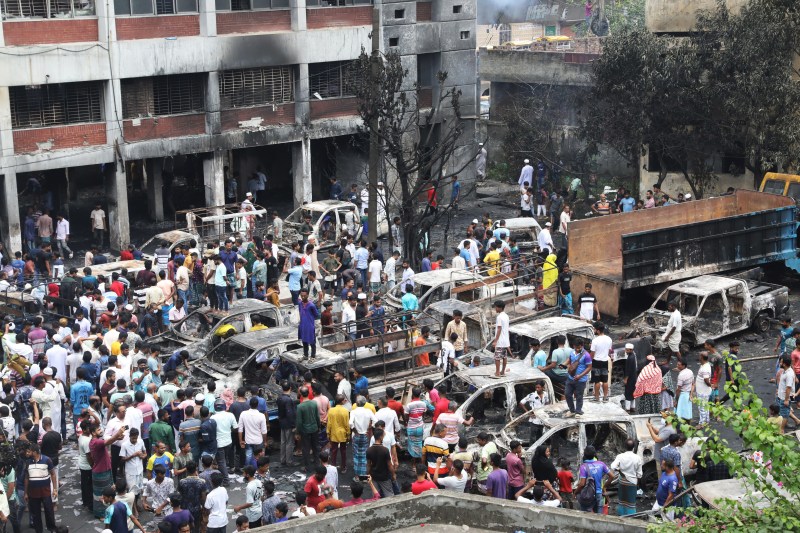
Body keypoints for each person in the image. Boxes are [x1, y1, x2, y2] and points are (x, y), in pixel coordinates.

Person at [576, 446, 615, 513]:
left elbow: (582, 484)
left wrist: (575, 492)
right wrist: (604, 486)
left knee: (585, 513)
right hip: (599, 493)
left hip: (588, 495)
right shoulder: (601, 464)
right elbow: (612, 476)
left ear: (584, 455)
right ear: (594, 454)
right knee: (599, 515)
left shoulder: (583, 467)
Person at [610, 439, 642, 516]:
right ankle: (631, 517)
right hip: (632, 482)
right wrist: (637, 483)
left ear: (625, 447)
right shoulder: (637, 458)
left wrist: (619, 471)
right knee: (631, 503)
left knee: (622, 501)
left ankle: (621, 515)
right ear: (634, 447)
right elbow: (639, 474)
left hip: (622, 481)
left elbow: (613, 466)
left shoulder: (620, 456)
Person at [565, 339, 592, 417]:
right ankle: (572, 410)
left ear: (582, 346)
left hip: (581, 380)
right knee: (567, 394)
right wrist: (563, 364)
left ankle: (578, 411)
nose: (578, 349)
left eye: (579, 347)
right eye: (576, 347)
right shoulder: (572, 352)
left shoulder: (586, 355)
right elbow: (569, 359)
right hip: (570, 378)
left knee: (579, 396)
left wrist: (580, 376)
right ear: (574, 346)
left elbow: (589, 367)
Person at [296, 386, 320, 471]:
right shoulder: (314, 403)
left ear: (301, 394)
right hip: (314, 428)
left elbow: (299, 422)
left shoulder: (300, 407)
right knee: (315, 447)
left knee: (306, 448)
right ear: (308, 393)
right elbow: (317, 417)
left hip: (305, 430)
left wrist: (297, 432)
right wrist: (318, 427)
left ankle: (308, 466)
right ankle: (317, 464)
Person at [590, 322, 612, 402]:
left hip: (596, 362)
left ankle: (597, 398)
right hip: (605, 361)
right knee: (605, 380)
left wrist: (589, 361)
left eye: (594, 329)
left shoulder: (595, 340)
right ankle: (605, 397)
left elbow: (592, 353)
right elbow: (609, 350)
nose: (594, 330)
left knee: (597, 381)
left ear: (598, 331)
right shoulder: (609, 339)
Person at [297, 289, 319, 360]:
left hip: (309, 326)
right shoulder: (300, 304)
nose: (303, 297)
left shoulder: (311, 305)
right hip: (302, 325)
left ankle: (313, 356)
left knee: (312, 341)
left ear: (307, 295)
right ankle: (306, 355)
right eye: (301, 295)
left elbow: (316, 315)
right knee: (304, 341)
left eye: (304, 295)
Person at [492, 300, 510, 377]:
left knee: (497, 357)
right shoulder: (506, 316)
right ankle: (502, 371)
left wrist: (495, 341)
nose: (495, 309)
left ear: (499, 308)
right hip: (505, 341)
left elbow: (499, 329)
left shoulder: (499, 317)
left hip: (500, 341)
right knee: (504, 357)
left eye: (496, 307)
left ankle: (497, 372)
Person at [674, 359, 694, 425]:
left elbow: (678, 389)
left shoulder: (681, 376)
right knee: (687, 412)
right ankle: (689, 426)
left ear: (683, 366)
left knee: (680, 412)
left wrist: (676, 400)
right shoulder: (690, 372)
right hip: (688, 394)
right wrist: (691, 394)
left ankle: (680, 427)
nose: (677, 366)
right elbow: (693, 384)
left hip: (682, 395)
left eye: (679, 365)